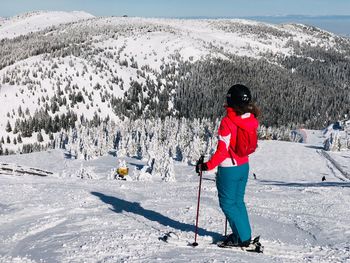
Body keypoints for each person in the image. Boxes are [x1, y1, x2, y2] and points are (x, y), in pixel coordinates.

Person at [196, 84, 260, 247]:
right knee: (238, 202)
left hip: (229, 169)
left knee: (227, 204)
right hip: (244, 165)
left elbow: (222, 151)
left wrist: (206, 166)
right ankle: (243, 234)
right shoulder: (250, 118)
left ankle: (242, 239)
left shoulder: (228, 121)